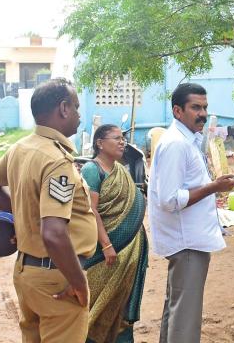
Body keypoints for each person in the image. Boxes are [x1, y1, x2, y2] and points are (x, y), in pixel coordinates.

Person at [0, 78, 98, 342]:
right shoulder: (56, 161)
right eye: (76, 107)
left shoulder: (20, 148)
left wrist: (25, 213)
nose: (79, 114)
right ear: (64, 108)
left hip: (26, 272)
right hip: (57, 279)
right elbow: (54, 234)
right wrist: (79, 283)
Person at [148, 83, 234, 343]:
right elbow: (169, 199)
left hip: (189, 239)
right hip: (186, 241)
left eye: (205, 107)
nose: (202, 113)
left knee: (177, 308)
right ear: (178, 111)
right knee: (185, 317)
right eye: (195, 107)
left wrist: (213, 185)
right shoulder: (177, 144)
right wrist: (214, 187)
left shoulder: (186, 140)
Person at [81, 124, 148, 343]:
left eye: (123, 138)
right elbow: (91, 211)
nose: (122, 142)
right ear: (100, 143)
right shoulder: (92, 170)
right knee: (99, 302)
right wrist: (107, 244)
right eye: (117, 138)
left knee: (122, 305)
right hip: (106, 254)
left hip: (129, 253)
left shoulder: (121, 170)